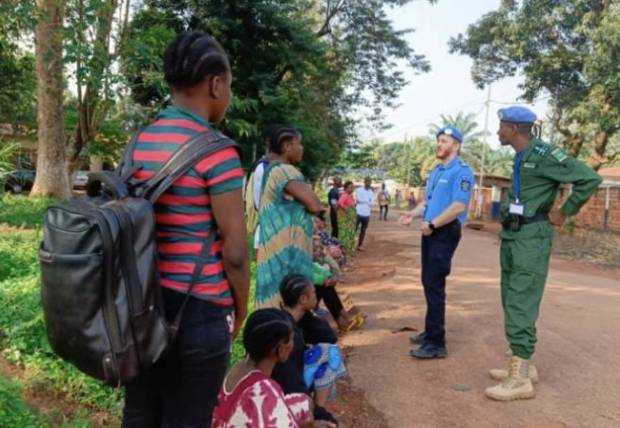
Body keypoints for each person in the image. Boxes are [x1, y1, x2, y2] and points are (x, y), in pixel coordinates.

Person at [122, 32, 250, 427]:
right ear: (215, 83)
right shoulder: (218, 152)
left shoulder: (138, 143)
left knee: (141, 415)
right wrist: (240, 310)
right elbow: (235, 253)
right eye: (228, 83)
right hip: (199, 315)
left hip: (141, 308)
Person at [484, 106, 602, 401]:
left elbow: (589, 179)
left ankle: (520, 380)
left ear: (513, 128)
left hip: (532, 237)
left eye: (501, 126)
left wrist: (565, 212)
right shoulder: (521, 156)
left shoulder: (546, 154)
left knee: (522, 299)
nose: (498, 131)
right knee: (511, 297)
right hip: (514, 234)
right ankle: (522, 364)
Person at [401, 125, 474, 359]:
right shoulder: (437, 171)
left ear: (456, 145)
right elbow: (428, 202)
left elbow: (458, 206)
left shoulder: (461, 171)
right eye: (438, 140)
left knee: (434, 284)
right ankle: (431, 330)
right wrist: (412, 214)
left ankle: (436, 343)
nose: (439, 144)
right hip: (431, 231)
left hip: (444, 231)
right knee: (428, 281)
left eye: (444, 141)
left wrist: (433, 224)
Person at [213, 308, 334, 427]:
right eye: (292, 339)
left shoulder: (238, 367)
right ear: (281, 350)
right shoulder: (264, 388)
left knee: (304, 401)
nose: (293, 345)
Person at [256, 125, 324, 308]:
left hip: (274, 249)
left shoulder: (269, 171)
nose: (301, 149)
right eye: (299, 144)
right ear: (287, 146)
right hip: (287, 252)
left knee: (274, 301)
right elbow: (315, 204)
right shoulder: (285, 171)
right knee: (290, 300)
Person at [272, 274, 347, 424]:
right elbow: (290, 380)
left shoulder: (290, 319)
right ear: (303, 299)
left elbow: (328, 335)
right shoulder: (291, 336)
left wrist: (308, 315)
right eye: (313, 293)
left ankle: (314, 409)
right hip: (285, 391)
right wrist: (316, 412)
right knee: (332, 353)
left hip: (278, 385)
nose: (316, 296)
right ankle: (315, 409)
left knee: (327, 350)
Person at [337, 180, 357, 256]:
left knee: (350, 234)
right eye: (350, 187)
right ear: (345, 188)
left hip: (350, 220)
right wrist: (347, 210)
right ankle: (345, 251)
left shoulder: (350, 196)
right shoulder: (344, 195)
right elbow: (339, 203)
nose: (352, 189)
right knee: (345, 234)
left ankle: (349, 250)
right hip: (346, 221)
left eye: (353, 187)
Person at [355, 177, 375, 250]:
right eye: (367, 181)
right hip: (358, 212)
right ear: (364, 182)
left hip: (367, 214)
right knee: (354, 229)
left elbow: (372, 203)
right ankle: (350, 244)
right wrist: (367, 201)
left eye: (370, 182)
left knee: (363, 230)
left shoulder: (371, 192)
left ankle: (360, 245)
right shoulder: (359, 190)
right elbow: (358, 199)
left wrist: (365, 201)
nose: (368, 183)